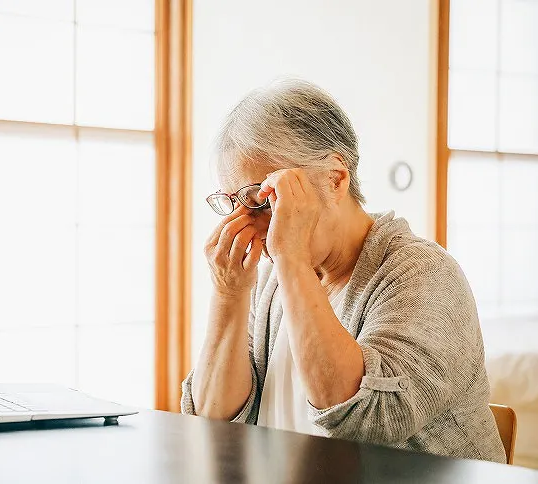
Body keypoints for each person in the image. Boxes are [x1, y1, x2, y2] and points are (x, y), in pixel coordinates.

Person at [181, 79, 506, 463]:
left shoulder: (424, 273)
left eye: (264, 200)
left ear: (335, 179)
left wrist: (293, 260)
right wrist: (228, 294)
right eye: (234, 203)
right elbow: (214, 422)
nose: (248, 226)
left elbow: (367, 419)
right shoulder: (270, 280)